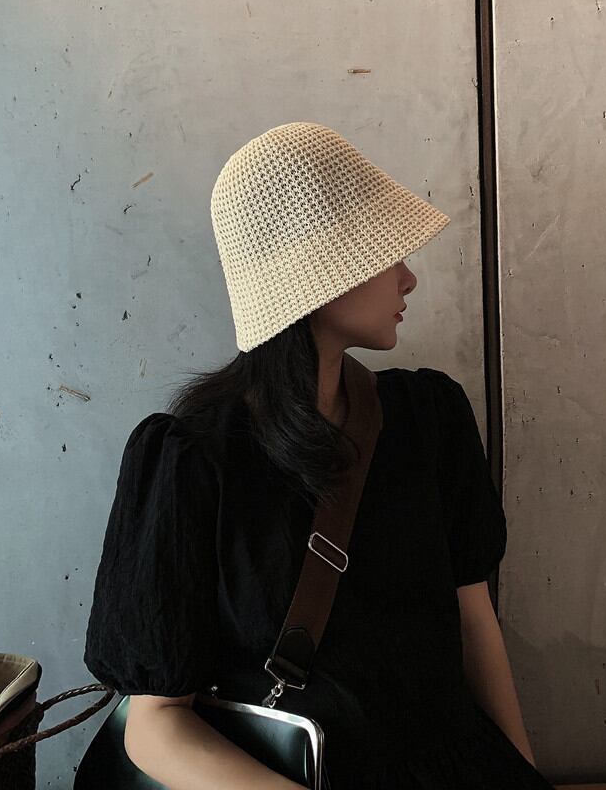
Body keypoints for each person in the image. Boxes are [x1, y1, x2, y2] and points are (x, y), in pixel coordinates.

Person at [83, 121, 556, 789]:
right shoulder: (190, 460)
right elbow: (154, 725)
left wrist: (523, 774)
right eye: (385, 254)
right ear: (319, 275)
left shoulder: (429, 418)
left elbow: (473, 620)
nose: (409, 277)